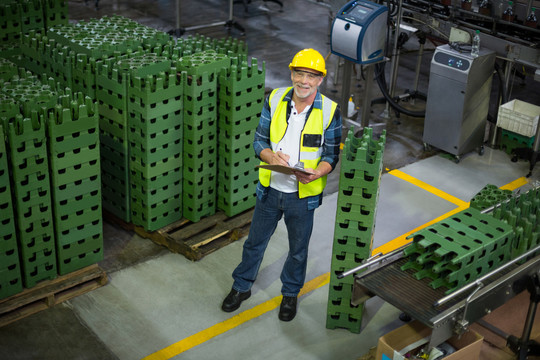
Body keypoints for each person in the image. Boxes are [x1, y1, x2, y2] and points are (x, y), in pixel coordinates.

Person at [221, 48, 342, 321]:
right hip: (270, 190)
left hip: (302, 196)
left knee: (298, 250)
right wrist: (270, 156)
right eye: (300, 74)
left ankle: (290, 294)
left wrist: (317, 173)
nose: (304, 81)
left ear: (320, 80)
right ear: (292, 74)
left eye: (311, 76)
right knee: (254, 244)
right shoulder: (275, 99)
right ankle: (241, 287)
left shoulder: (330, 112)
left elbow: (332, 156)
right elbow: (259, 141)